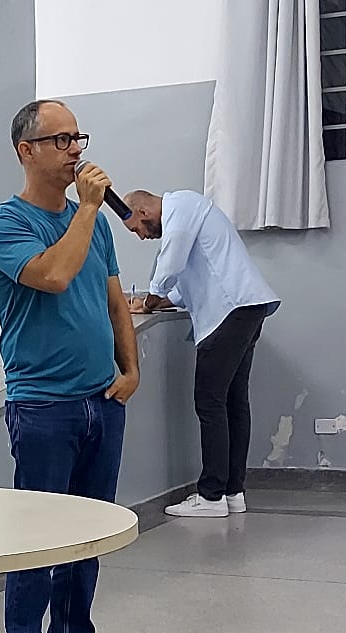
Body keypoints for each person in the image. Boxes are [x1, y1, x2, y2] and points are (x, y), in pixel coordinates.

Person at [0, 99, 141, 633]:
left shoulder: (93, 223)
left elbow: (114, 300)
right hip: (43, 403)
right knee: (38, 533)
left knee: (89, 531)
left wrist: (132, 369)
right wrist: (91, 208)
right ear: (27, 151)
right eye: (61, 139)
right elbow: (53, 276)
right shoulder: (4, 224)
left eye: (78, 138)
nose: (75, 149)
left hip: (103, 398)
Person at [122, 189, 281, 518]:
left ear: (143, 212)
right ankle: (233, 492)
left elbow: (170, 265)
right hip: (246, 308)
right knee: (233, 403)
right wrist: (156, 301)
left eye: (136, 228)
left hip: (228, 313)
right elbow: (184, 287)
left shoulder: (182, 206)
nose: (141, 236)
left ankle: (211, 496)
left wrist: (150, 300)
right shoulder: (191, 216)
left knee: (209, 402)